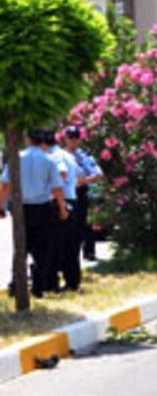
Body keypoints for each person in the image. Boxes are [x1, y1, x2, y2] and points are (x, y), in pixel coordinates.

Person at [0, 131, 68, 298]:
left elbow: (5, 185)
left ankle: (16, 285)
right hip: (43, 208)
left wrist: (0, 205)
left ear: (28, 139)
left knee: (21, 248)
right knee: (42, 250)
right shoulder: (49, 160)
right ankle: (38, 287)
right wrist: (62, 208)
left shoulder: (17, 158)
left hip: (20, 207)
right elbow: (57, 188)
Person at [43, 129, 82, 292]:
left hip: (61, 201)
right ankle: (72, 281)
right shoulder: (67, 155)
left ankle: (54, 283)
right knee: (70, 245)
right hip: (72, 198)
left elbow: (62, 173)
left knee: (57, 245)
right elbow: (79, 177)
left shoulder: (54, 156)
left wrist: (51, 188)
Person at [63, 126, 103, 262]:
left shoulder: (84, 157)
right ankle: (67, 255)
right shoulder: (60, 156)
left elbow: (98, 174)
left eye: (75, 138)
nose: (73, 141)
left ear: (79, 140)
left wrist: (84, 180)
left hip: (80, 192)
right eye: (70, 138)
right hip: (64, 194)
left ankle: (89, 252)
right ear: (65, 139)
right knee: (66, 225)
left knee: (84, 223)